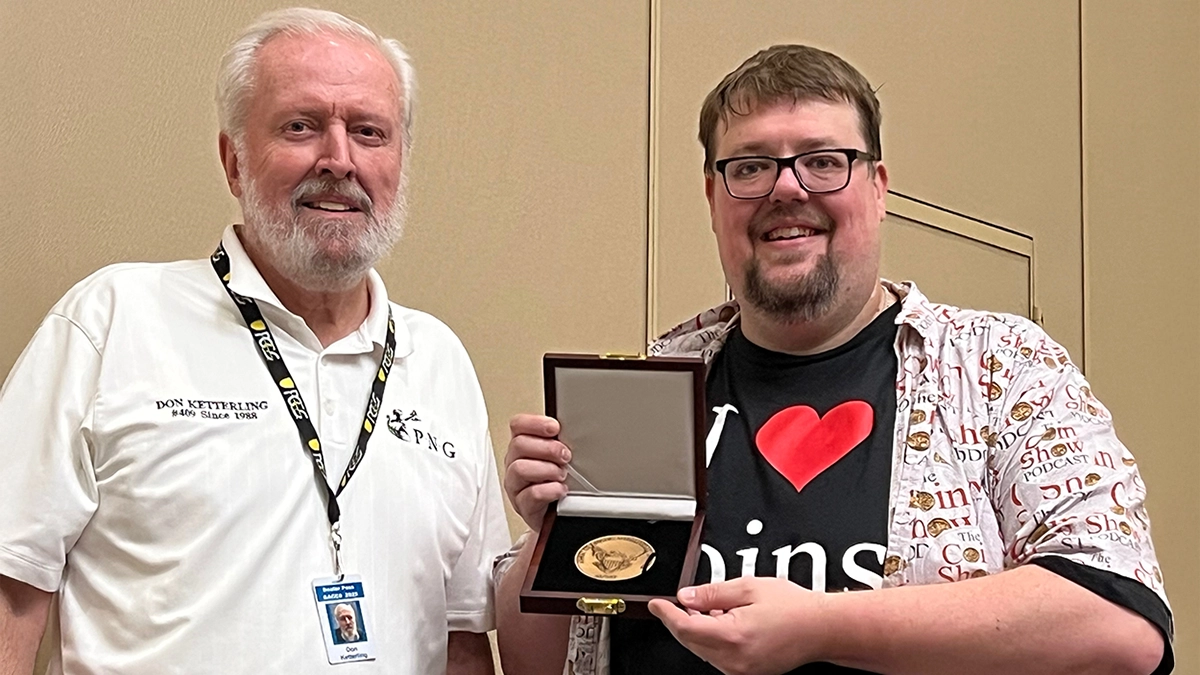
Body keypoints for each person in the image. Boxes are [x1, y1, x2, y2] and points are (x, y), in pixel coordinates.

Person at [496, 45, 1173, 675]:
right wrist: (551, 536)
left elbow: (1122, 620)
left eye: (824, 160)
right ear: (713, 197)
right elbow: (541, 662)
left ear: (878, 187)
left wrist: (822, 625)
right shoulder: (654, 387)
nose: (786, 189)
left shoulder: (1001, 368)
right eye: (751, 166)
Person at [0, 8, 508, 674]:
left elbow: (463, 640)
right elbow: (13, 593)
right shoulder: (111, 321)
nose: (339, 159)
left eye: (368, 132)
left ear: (400, 163)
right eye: (301, 127)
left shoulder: (438, 360)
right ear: (233, 159)